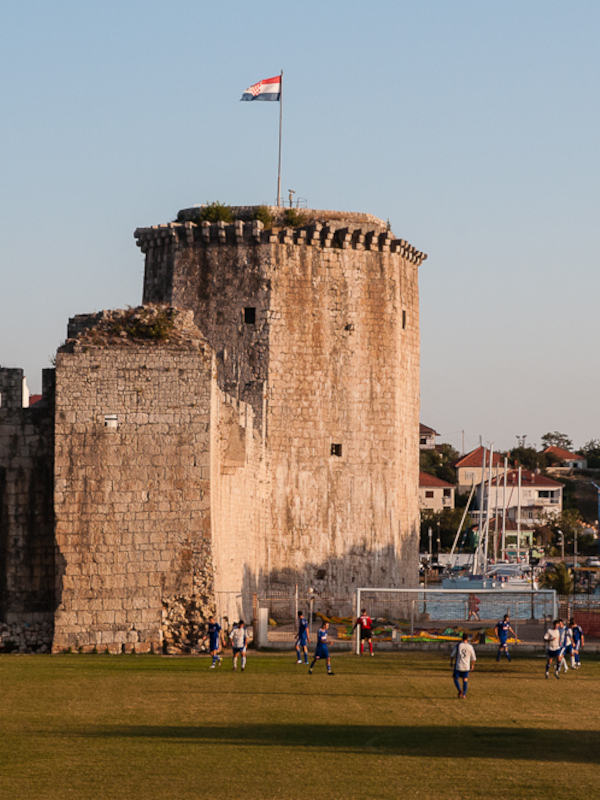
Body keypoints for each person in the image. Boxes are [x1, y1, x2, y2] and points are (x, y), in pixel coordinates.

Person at [450, 633, 476, 699]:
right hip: (466, 666)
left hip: (458, 665)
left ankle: (459, 690)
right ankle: (464, 694)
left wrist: (451, 662)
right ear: (467, 639)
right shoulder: (470, 646)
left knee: (455, 678)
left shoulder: (458, 645)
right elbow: (473, 658)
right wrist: (472, 665)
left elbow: (452, 655)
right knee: (465, 680)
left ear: (462, 638)